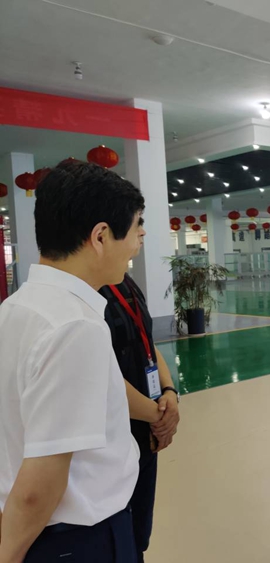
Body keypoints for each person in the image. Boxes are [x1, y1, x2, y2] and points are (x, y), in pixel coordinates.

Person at [0, 160, 144, 562]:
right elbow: (40, 483)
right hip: (77, 540)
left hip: (29, 527)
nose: (138, 241)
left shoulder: (15, 308)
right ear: (100, 236)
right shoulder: (75, 326)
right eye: (136, 228)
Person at [100, 253, 181, 563]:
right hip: (116, 435)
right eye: (136, 229)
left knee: (138, 535)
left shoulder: (127, 283)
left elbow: (148, 343)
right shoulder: (88, 295)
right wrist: (158, 416)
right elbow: (101, 375)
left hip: (147, 433)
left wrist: (169, 391)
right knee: (119, 539)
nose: (142, 234)